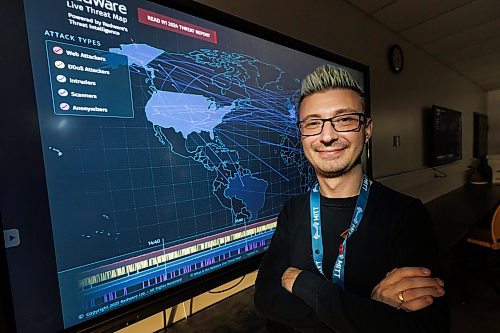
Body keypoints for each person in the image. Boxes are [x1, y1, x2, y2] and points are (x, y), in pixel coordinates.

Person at [254, 65, 448, 332]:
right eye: (313, 123)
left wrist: (307, 286)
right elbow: (265, 297)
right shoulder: (293, 211)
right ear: (302, 135)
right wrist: (367, 310)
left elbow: (426, 326)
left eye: (344, 119)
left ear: (367, 129)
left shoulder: (405, 214)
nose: (327, 135)